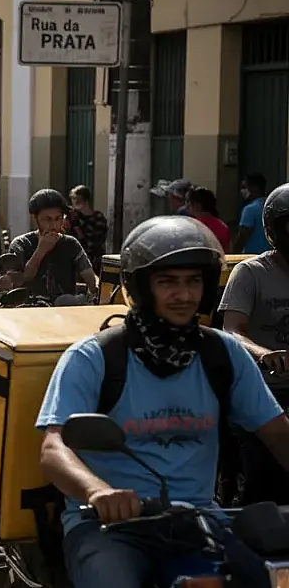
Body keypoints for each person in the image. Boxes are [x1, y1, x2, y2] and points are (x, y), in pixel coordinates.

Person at [36, 215, 289, 588]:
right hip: (109, 527)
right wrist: (98, 491)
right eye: (168, 282)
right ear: (139, 288)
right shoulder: (95, 357)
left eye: (193, 282)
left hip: (200, 520)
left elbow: (278, 433)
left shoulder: (224, 354)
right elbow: (53, 448)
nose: (184, 295)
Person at [220, 183, 289, 504]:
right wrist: (265, 355)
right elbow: (232, 330)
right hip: (263, 389)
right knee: (264, 483)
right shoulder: (251, 272)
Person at [3, 189, 98, 301]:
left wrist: (96, 288)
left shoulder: (70, 244)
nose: (53, 225)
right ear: (35, 218)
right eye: (47, 219)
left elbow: (89, 276)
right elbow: (19, 280)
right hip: (29, 309)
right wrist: (40, 251)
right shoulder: (21, 244)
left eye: (58, 219)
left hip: (65, 310)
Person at [66, 184, 109, 272]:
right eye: (73, 199)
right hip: (76, 261)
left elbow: (94, 241)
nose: (75, 203)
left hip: (94, 261)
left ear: (86, 200)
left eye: (78, 200)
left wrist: (77, 227)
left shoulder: (98, 218)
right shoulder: (73, 217)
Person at [235, 173, 271, 255]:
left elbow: (243, 236)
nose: (242, 191)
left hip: (252, 257)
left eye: (245, 187)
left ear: (255, 187)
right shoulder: (272, 205)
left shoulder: (250, 209)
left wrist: (234, 254)